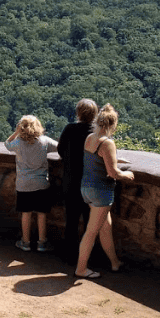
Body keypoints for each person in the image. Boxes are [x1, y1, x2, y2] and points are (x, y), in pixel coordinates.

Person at [76, 103, 134, 279]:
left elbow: (97, 159)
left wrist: (115, 158)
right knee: (91, 232)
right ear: (112, 125)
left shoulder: (89, 138)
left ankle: (115, 263)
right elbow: (112, 172)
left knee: (105, 227)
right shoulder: (107, 142)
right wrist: (127, 174)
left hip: (86, 188)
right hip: (101, 191)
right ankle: (81, 269)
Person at [5, 115, 58, 253]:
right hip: (41, 183)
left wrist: (16, 132)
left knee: (26, 213)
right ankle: (42, 243)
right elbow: (60, 147)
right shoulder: (44, 141)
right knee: (41, 214)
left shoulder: (17, 143)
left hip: (24, 184)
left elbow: (6, 144)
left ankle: (26, 242)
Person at [57, 99, 99, 260]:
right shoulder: (96, 133)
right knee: (90, 224)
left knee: (71, 221)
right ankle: (88, 257)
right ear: (95, 114)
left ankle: (69, 255)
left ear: (78, 113)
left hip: (71, 181)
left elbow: (61, 150)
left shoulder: (69, 129)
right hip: (91, 182)